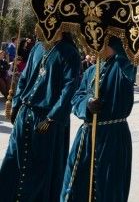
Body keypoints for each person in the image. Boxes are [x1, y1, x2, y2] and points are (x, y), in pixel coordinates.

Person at [0, 31, 81, 202]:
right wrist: (16, 105)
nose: (39, 27)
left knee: (40, 170)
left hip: (47, 122)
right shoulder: (37, 47)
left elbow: (69, 89)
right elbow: (23, 79)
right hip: (25, 114)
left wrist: (52, 117)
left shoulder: (70, 53)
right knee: (13, 162)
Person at [61, 36, 135, 201]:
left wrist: (117, 36)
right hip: (86, 138)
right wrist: (86, 105)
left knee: (107, 187)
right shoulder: (90, 71)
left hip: (112, 138)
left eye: (100, 42)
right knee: (76, 185)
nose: (95, 47)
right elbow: (77, 97)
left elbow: (127, 60)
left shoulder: (124, 68)